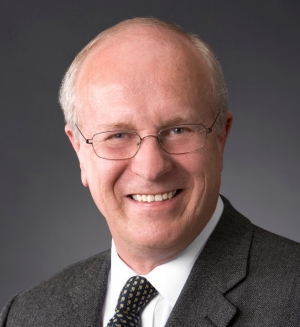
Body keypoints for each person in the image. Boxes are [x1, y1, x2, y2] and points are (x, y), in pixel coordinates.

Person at [1, 17, 300, 327]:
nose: (151, 168)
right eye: (117, 135)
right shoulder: (26, 315)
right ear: (80, 150)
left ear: (220, 138)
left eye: (179, 129)